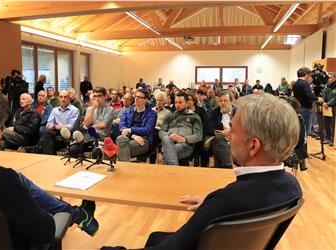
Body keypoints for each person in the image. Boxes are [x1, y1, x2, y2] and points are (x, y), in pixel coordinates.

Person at [103, 94, 302, 250]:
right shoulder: (293, 187)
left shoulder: (226, 202)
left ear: (253, 145)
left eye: (232, 129)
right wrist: (211, 203)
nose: (228, 135)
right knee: (156, 236)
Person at [0, 86, 99, 249]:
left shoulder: (3, 180)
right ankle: (77, 214)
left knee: (18, 178)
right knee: (18, 180)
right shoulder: (3, 182)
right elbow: (45, 231)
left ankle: (78, 214)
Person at [19, 90, 79, 155]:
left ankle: (34, 150)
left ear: (69, 98)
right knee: (47, 134)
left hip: (67, 135)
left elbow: (70, 127)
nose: (63, 99)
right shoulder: (55, 110)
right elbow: (48, 124)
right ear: (58, 98)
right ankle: (47, 155)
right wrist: (54, 127)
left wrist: (55, 127)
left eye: (65, 97)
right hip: (54, 133)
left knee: (47, 137)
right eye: (61, 97)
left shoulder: (74, 110)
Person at [159, 92, 203, 166]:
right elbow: (161, 131)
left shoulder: (194, 117)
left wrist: (184, 139)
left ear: (186, 103)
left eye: (180, 102)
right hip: (169, 142)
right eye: (175, 102)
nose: (177, 105)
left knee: (168, 153)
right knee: (166, 139)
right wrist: (170, 134)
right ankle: (175, 169)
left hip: (185, 145)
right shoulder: (170, 117)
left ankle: (172, 169)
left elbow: (198, 135)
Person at [117, 89, 157, 162]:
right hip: (129, 138)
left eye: (139, 97)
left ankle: (123, 169)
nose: (136, 98)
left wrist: (130, 130)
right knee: (121, 139)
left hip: (143, 140)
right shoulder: (127, 111)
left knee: (118, 148)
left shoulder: (152, 113)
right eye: (135, 96)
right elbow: (122, 128)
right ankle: (125, 169)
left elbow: (148, 130)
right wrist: (133, 136)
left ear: (146, 100)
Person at [204, 90, 236, 168]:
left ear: (231, 101)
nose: (222, 103)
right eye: (220, 101)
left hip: (234, 138)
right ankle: (228, 167)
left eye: (225, 100)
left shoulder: (238, 111)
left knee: (218, 147)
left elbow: (244, 127)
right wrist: (220, 133)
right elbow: (209, 128)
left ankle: (220, 169)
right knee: (220, 140)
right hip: (218, 138)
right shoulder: (215, 112)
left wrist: (230, 131)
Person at [293, 67, 317, 136]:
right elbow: (310, 96)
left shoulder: (296, 83)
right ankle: (304, 143)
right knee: (305, 129)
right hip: (306, 108)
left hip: (298, 107)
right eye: (309, 75)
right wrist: (317, 98)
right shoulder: (305, 84)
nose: (309, 76)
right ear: (306, 74)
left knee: (300, 127)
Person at [322, 72, 336, 146]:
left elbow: (335, 98)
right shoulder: (327, 86)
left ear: (334, 78)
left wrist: (328, 103)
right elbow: (324, 95)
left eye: (330, 77)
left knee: (333, 124)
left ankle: (332, 140)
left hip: (333, 107)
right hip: (326, 107)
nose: (328, 79)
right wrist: (324, 102)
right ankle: (327, 138)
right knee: (326, 123)